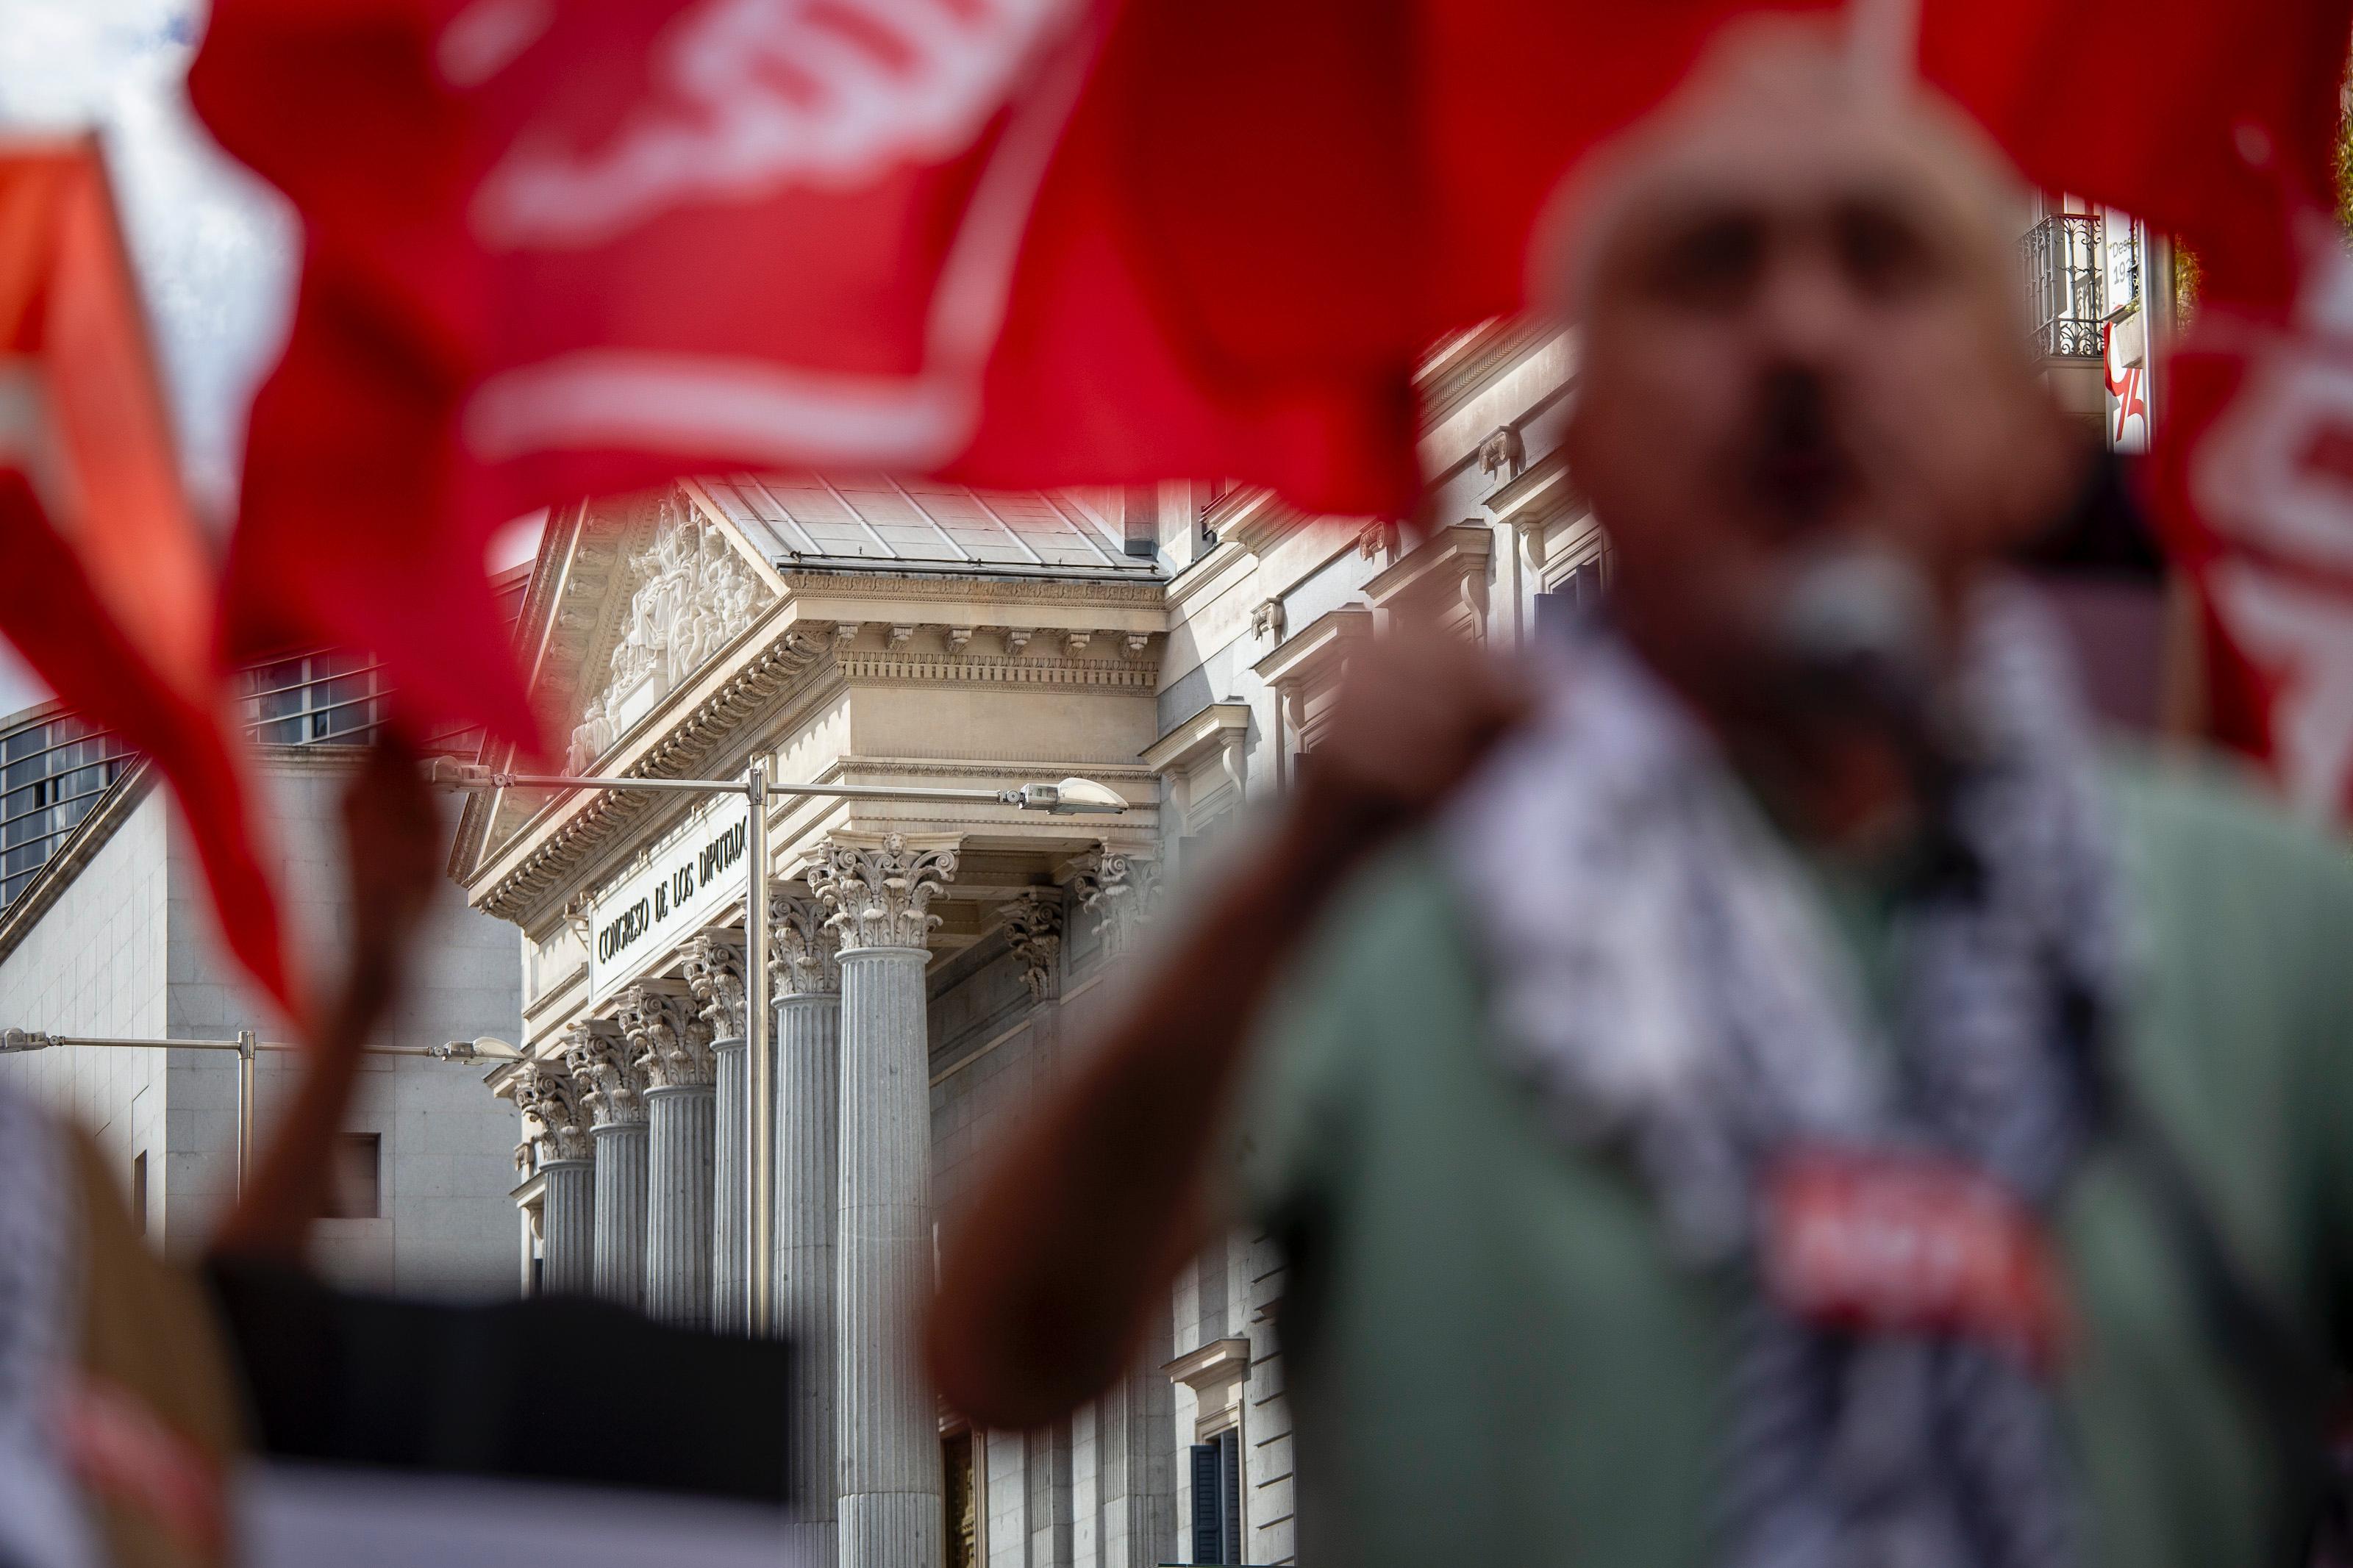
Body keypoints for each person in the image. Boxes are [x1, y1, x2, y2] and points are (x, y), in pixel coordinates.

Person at [928, 23, 2353, 1568]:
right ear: (1574, 443)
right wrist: (1283, 898)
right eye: (1708, 269)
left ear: (2036, 435)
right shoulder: (1366, 901)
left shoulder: (2266, 916)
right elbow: (1004, 1356)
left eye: (1882, 264)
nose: (1799, 330)